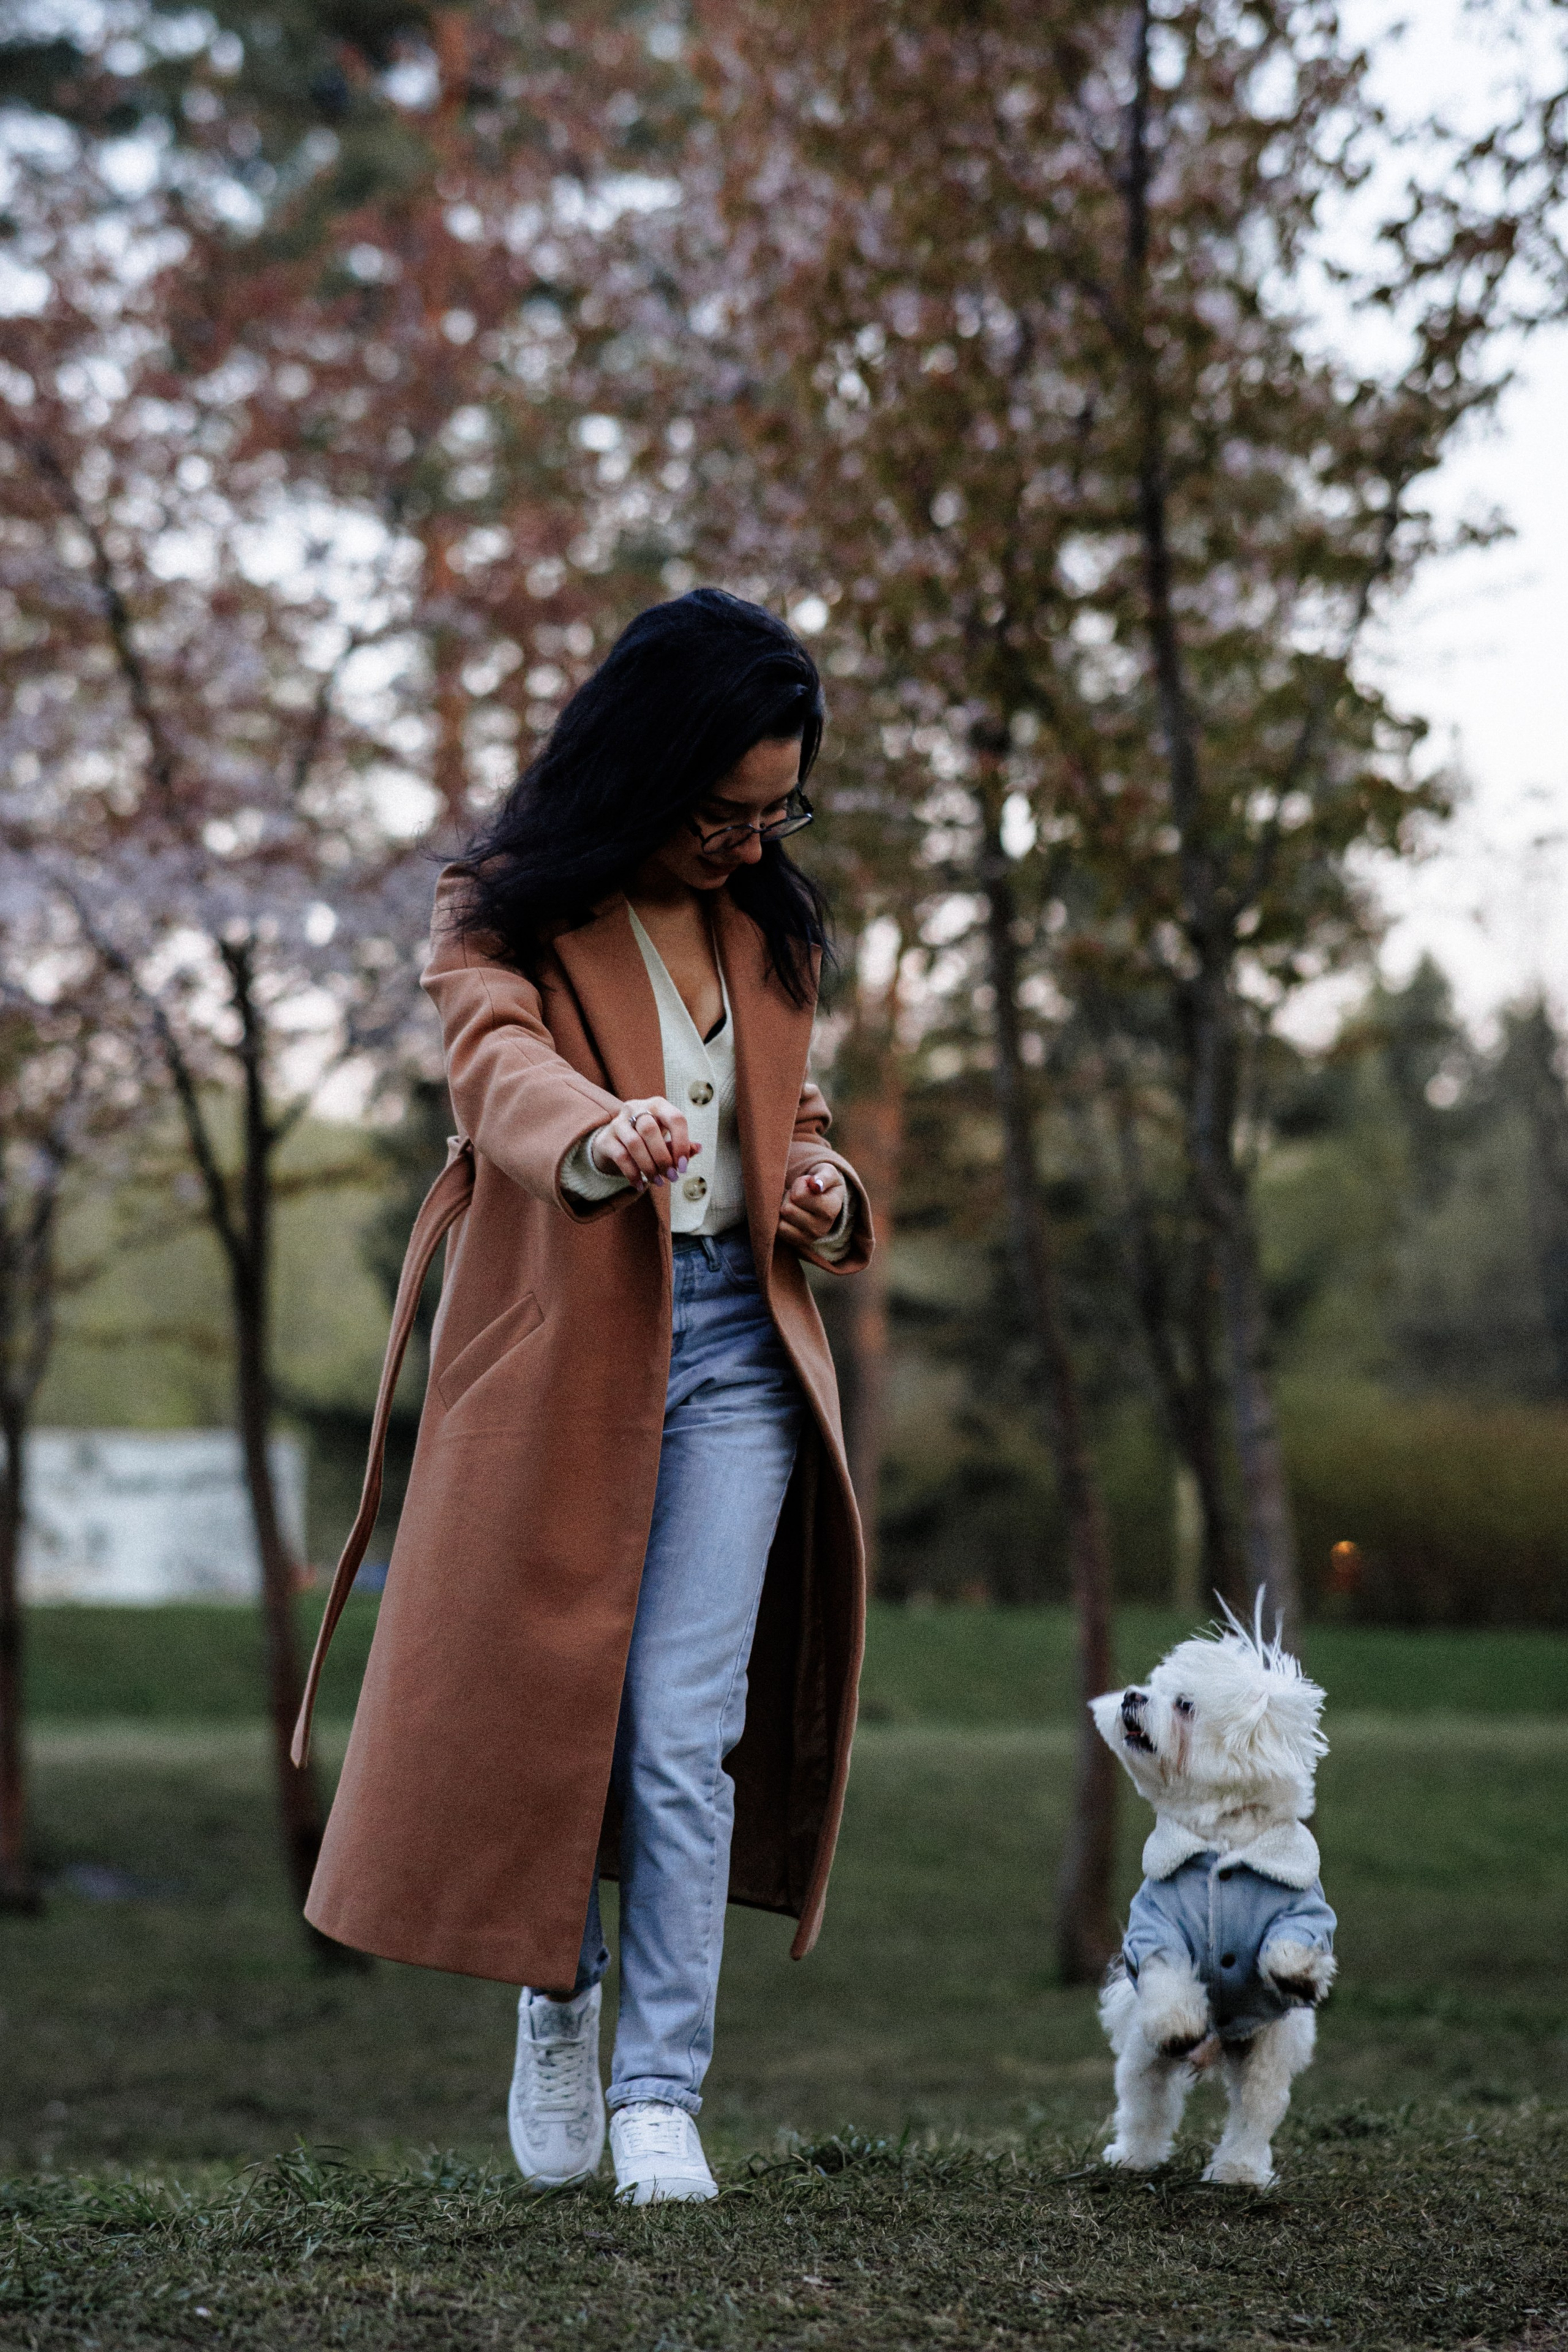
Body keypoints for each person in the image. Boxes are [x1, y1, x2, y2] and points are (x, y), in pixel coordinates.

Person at [292, 589, 873, 2206]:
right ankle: (562, 1997)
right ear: (643, 767)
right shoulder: (502, 909)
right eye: (720, 812)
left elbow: (792, 1111)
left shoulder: (770, 924)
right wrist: (598, 1136)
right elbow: (497, 1068)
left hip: (741, 1354)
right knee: (571, 1705)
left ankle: (661, 2095)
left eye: (777, 813)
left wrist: (824, 1189)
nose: (748, 844)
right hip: (567, 1349)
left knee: (684, 1725)